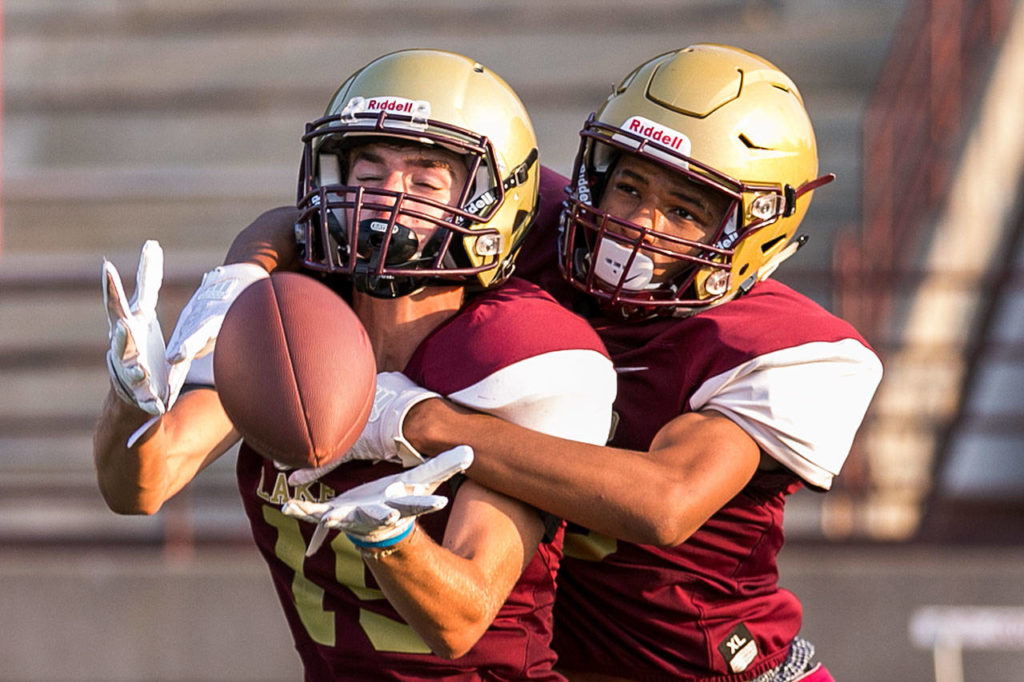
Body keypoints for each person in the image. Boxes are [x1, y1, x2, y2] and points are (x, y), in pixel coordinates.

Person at [184, 44, 883, 681]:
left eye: (685, 211)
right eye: (630, 187)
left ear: (755, 229)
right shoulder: (539, 224)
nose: (639, 224)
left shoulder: (790, 350)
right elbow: (316, 213)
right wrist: (236, 285)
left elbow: (664, 503)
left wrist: (414, 420)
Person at [94, 49, 616, 681]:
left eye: (425, 182)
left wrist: (391, 542)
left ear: (490, 205)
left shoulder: (514, 348)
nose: (386, 199)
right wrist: (130, 397)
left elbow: (460, 619)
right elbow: (141, 486)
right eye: (369, 172)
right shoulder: (290, 324)